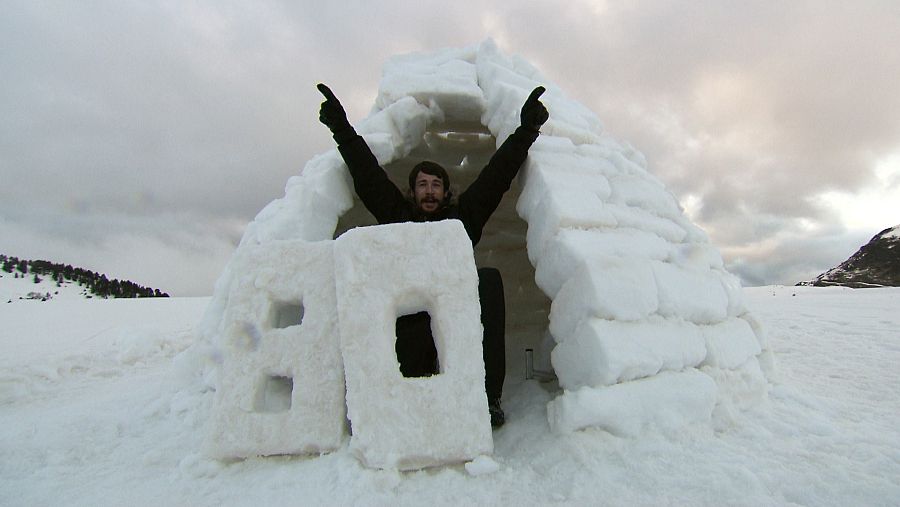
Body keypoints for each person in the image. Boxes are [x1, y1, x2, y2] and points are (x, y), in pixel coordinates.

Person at [317, 82, 548, 428]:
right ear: (412, 192)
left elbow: (496, 176)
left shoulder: (463, 218)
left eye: (436, 184)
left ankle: (488, 399)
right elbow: (368, 176)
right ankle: (398, 399)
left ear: (446, 192)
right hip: (413, 321)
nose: (429, 190)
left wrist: (527, 130)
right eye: (422, 184)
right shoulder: (399, 216)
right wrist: (341, 128)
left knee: (487, 280)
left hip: (457, 316)